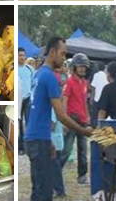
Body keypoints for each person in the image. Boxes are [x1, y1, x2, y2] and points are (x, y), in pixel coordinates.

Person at [25, 37, 92, 201]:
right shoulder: (50, 78)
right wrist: (83, 130)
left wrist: (49, 141)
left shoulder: (39, 73)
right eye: (62, 54)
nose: (64, 58)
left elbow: (35, 110)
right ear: (53, 52)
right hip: (38, 141)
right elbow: (61, 114)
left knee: (39, 190)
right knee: (44, 194)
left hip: (37, 139)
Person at [60, 53, 90, 185]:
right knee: (66, 149)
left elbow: (84, 101)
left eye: (84, 66)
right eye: (80, 66)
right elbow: (64, 100)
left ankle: (82, 176)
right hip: (72, 119)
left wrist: (87, 116)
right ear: (74, 67)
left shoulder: (84, 82)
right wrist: (65, 120)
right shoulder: (69, 82)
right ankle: (55, 174)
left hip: (82, 120)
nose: (83, 69)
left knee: (83, 150)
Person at [51, 69, 66, 199]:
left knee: (55, 169)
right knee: (55, 168)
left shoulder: (52, 104)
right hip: (58, 140)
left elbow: (52, 124)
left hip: (53, 141)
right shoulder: (58, 103)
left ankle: (60, 191)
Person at [18, 47, 34, 155]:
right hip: (19, 100)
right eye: (20, 55)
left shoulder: (30, 69)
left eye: (23, 55)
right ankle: (21, 147)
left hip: (28, 99)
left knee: (28, 123)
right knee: (19, 124)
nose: (22, 57)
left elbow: (33, 84)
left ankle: (29, 147)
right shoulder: (15, 69)